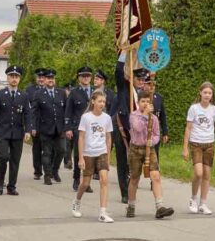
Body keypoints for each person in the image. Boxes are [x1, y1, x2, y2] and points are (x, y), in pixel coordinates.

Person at [114, 53, 169, 203]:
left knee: (140, 163)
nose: (141, 82)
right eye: (138, 79)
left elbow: (157, 109)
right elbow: (119, 73)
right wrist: (124, 53)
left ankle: (157, 197)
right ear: (133, 78)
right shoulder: (125, 88)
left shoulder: (147, 93)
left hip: (142, 132)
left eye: (143, 80)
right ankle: (125, 193)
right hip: (124, 128)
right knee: (122, 161)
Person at [125, 92, 174, 219]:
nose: (146, 104)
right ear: (138, 103)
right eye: (143, 101)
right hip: (135, 149)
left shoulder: (154, 118)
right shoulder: (133, 116)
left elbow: (157, 134)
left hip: (149, 149)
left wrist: (153, 141)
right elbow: (137, 128)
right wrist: (145, 115)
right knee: (134, 178)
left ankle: (160, 206)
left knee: (155, 175)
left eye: (148, 101)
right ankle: (131, 205)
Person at [0, 66, 35, 195]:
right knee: (3, 157)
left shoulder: (24, 96)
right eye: (12, 76)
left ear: (19, 79)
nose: (14, 79)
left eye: (16, 77)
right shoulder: (0, 94)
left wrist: (28, 130)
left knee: (15, 160)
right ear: (8, 78)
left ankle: (12, 186)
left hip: (17, 132)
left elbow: (27, 114)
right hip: (2, 131)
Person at [72, 90, 114, 222]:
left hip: (101, 152)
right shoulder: (86, 117)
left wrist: (108, 155)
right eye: (100, 101)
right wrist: (80, 158)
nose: (102, 104)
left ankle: (103, 212)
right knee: (85, 183)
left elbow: (108, 138)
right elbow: (81, 138)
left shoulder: (107, 118)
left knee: (104, 180)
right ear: (93, 102)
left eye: (104, 101)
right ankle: (77, 201)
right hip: (88, 153)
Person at [182, 82, 215, 214]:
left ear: (212, 95)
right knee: (198, 173)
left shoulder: (214, 110)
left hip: (209, 145)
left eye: (209, 93)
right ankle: (193, 198)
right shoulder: (194, 108)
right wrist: (185, 148)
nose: (207, 95)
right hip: (196, 144)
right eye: (205, 92)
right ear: (200, 93)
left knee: (206, 174)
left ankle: (203, 203)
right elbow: (188, 128)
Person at [33, 68, 66, 185]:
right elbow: (35, 112)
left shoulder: (61, 93)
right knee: (46, 152)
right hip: (45, 128)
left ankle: (54, 170)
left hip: (59, 128)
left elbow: (65, 110)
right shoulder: (39, 94)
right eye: (48, 78)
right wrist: (34, 127)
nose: (50, 80)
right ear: (45, 80)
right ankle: (47, 175)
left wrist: (67, 126)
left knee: (62, 150)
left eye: (52, 78)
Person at [64, 66, 94, 192]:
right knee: (78, 154)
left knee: (90, 156)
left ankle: (87, 182)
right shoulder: (74, 93)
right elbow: (68, 112)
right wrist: (68, 128)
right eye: (83, 76)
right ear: (79, 78)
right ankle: (76, 179)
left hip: (92, 129)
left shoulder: (95, 92)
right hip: (78, 128)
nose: (86, 78)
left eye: (88, 76)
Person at [27, 68, 46, 180]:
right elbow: (28, 110)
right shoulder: (30, 90)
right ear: (36, 78)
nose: (41, 79)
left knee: (49, 148)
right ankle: (38, 171)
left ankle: (49, 169)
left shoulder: (50, 89)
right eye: (39, 77)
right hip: (36, 123)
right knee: (37, 148)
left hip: (48, 124)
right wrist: (31, 126)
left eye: (43, 77)